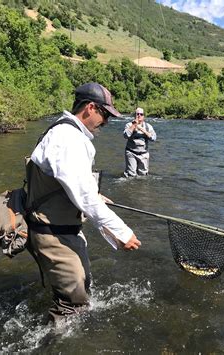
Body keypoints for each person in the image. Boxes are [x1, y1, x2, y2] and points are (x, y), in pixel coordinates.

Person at [26, 82, 141, 323]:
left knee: (81, 288)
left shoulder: (61, 129)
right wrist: (122, 232)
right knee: (72, 306)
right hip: (54, 233)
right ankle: (52, 343)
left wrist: (95, 196)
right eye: (105, 114)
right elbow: (84, 196)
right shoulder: (70, 138)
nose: (107, 122)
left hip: (59, 229)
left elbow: (68, 183)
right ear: (90, 108)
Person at [123, 107, 157, 177]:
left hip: (143, 154)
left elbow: (153, 138)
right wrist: (134, 125)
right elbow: (126, 135)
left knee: (143, 175)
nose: (139, 115)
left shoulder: (148, 126)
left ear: (143, 116)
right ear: (134, 115)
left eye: (141, 114)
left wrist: (143, 130)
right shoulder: (129, 125)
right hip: (131, 152)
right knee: (131, 175)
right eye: (137, 114)